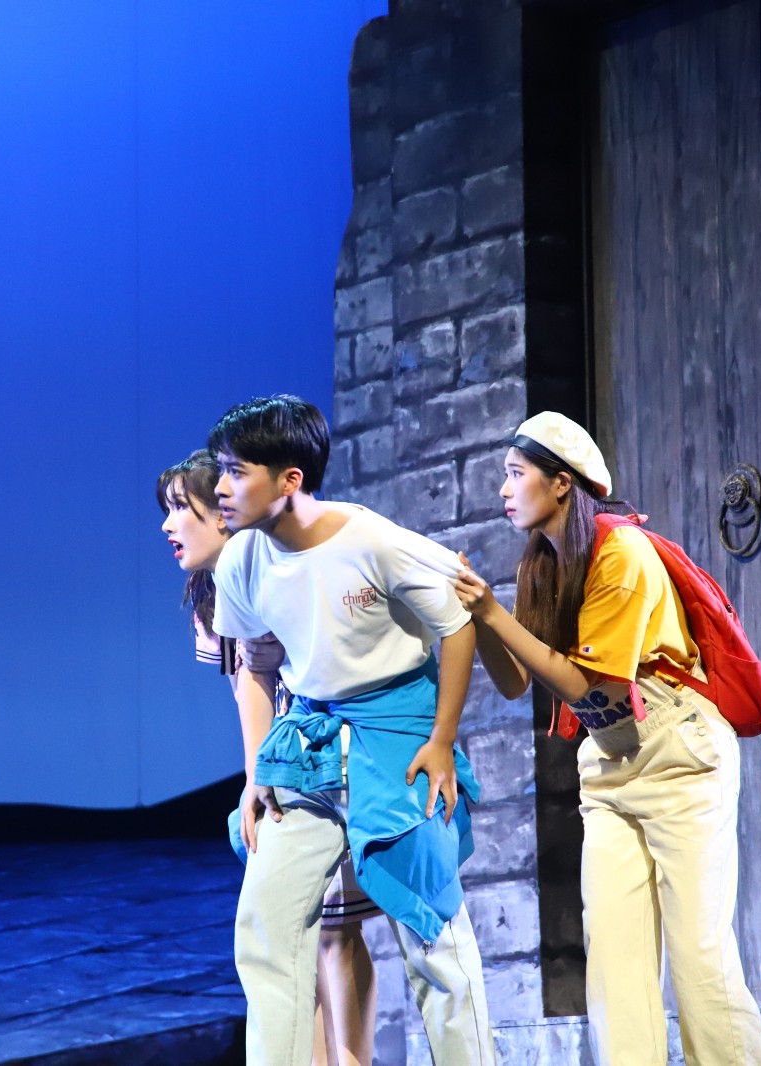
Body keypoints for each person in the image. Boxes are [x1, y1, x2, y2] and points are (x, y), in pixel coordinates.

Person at [453, 411, 761, 1066]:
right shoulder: (542, 563)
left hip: (677, 752)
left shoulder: (621, 552)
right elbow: (515, 682)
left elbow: (588, 684)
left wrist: (492, 613)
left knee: (698, 954)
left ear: (560, 483)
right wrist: (477, 616)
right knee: (614, 963)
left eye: (515, 473)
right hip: (608, 762)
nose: (504, 489)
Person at [206, 395, 495, 1066]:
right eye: (220, 470)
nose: (219, 487)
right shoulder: (241, 559)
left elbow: (457, 626)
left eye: (235, 471)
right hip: (309, 743)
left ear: (290, 480)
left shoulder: (372, 542)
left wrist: (441, 741)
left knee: (433, 936)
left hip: (397, 740)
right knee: (266, 925)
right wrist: (256, 772)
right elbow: (255, 661)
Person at [156, 449, 378, 1066]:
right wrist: (257, 778)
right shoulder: (212, 597)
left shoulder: (278, 569)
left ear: (223, 512)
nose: (168, 525)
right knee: (290, 933)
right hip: (280, 769)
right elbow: (247, 691)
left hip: (330, 758)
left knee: (335, 928)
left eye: (180, 508)